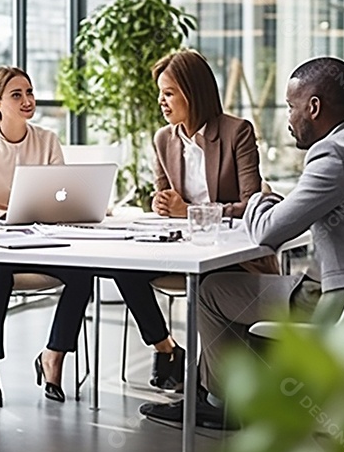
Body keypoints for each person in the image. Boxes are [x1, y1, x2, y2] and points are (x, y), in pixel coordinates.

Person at [140, 56, 344, 429]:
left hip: (338, 305)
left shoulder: (332, 154)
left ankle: (222, 401)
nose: (289, 118)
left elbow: (270, 233)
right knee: (237, 287)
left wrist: (261, 196)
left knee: (212, 290)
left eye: (291, 106)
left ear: (313, 107)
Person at [114, 49, 277, 392]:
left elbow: (251, 204)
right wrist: (161, 204)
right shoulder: (163, 138)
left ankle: (207, 388)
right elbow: (165, 200)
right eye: (160, 93)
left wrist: (188, 210)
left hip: (228, 254)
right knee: (122, 267)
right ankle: (167, 349)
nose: (162, 101)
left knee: (209, 284)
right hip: (179, 247)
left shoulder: (237, 132)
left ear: (194, 92)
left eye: (169, 93)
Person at [0, 66, 94, 407]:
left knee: (82, 275)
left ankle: (53, 356)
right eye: (17, 95)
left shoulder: (46, 140)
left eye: (29, 92)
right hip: (0, 242)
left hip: (42, 240)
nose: (27, 100)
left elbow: (62, 193)